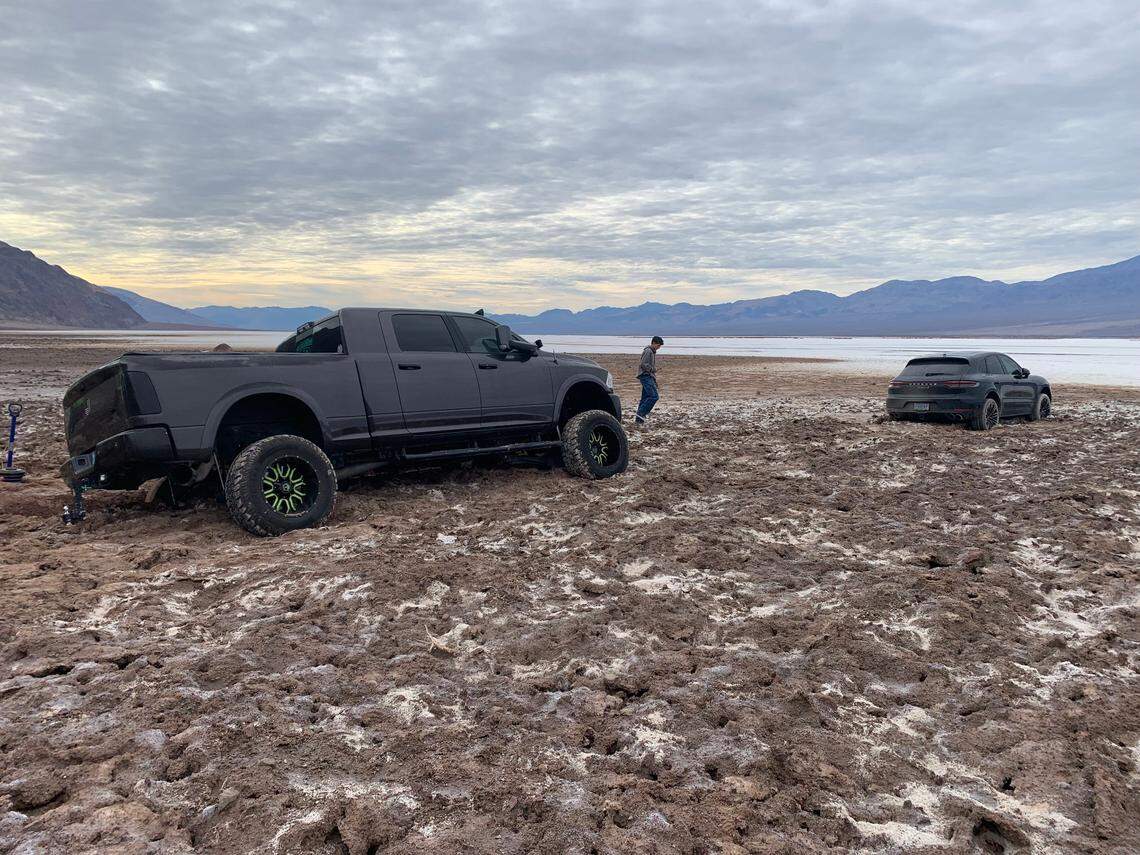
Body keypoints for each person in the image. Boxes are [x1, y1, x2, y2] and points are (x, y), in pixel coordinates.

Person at [635, 336, 664, 425]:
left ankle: (639, 420)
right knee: (654, 396)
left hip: (647, 376)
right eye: (658, 346)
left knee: (645, 398)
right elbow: (643, 364)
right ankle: (641, 414)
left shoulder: (651, 351)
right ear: (654, 343)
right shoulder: (648, 351)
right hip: (646, 376)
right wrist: (652, 369)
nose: (659, 348)